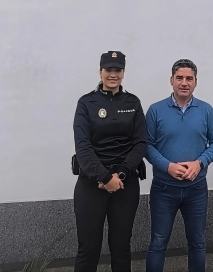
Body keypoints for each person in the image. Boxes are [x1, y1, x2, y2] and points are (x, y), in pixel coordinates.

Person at [145, 58, 213, 272]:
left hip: (196, 189)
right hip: (164, 189)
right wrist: (167, 166)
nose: (184, 82)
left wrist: (200, 163)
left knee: (197, 242)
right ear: (171, 80)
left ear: (196, 82)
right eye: (179, 78)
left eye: (189, 78)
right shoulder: (155, 110)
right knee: (158, 242)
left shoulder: (206, 110)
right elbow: (147, 145)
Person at [72, 51, 147, 272]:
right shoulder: (86, 103)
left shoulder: (133, 102)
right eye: (108, 70)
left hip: (125, 184)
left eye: (118, 70)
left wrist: (120, 174)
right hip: (91, 185)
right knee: (88, 249)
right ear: (100, 72)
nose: (113, 74)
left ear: (123, 73)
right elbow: (82, 147)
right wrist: (105, 177)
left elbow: (141, 143)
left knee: (121, 248)